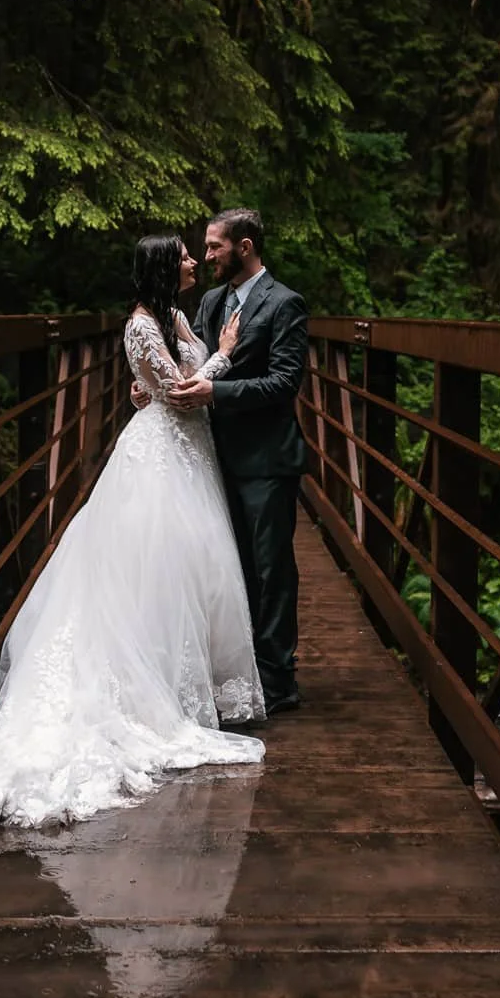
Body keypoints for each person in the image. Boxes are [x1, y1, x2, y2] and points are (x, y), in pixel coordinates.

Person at [0, 234, 265, 833]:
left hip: (188, 452)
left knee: (189, 569)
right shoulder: (140, 324)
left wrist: (161, 379)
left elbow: (163, 381)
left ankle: (182, 680)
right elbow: (180, 394)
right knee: (155, 562)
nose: (193, 261)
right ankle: (147, 692)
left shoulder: (173, 316)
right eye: (184, 256)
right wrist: (222, 354)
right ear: (164, 267)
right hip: (161, 453)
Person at [170, 209, 308, 715]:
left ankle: (278, 680)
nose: (207, 256)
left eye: (215, 247)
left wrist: (217, 393)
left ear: (244, 247)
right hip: (213, 457)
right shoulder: (211, 301)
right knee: (228, 569)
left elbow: (283, 383)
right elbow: (193, 360)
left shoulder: (284, 303)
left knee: (271, 571)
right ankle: (237, 674)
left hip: (267, 459)